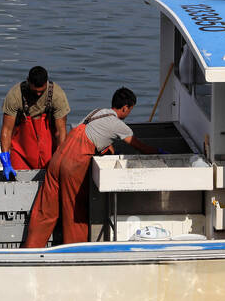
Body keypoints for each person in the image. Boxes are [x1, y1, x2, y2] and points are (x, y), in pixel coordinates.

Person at [23, 87, 160, 247]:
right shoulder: (119, 125)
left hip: (58, 158)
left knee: (45, 209)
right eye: (130, 110)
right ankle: (75, 252)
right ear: (125, 108)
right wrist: (160, 152)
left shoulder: (97, 112)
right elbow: (139, 147)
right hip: (73, 164)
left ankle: (30, 249)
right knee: (74, 211)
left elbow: (89, 134)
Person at [0, 66, 69, 181]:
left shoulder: (57, 95)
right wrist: (6, 162)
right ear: (28, 81)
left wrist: (60, 160)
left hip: (49, 152)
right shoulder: (15, 96)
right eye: (35, 91)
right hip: (21, 152)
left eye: (42, 91)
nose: (38, 95)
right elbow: (7, 130)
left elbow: (60, 132)